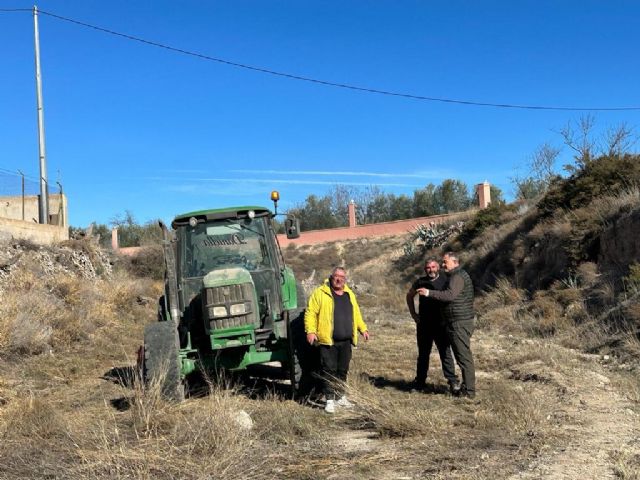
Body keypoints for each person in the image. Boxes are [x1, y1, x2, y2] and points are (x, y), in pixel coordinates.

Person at [304, 266, 370, 413]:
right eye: (336, 277)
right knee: (329, 370)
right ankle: (329, 400)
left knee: (342, 370)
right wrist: (311, 331)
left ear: (345, 279)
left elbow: (356, 313)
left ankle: (340, 397)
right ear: (331, 277)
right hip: (328, 341)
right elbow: (310, 313)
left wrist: (363, 329)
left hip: (346, 341)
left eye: (342, 277)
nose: (339, 279)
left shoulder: (349, 294)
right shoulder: (320, 293)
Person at [417, 252, 476, 398]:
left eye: (445, 263)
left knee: (463, 358)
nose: (443, 265)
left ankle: (469, 391)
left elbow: (449, 295)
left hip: (459, 322)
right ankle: (466, 388)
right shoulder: (456, 276)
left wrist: (429, 293)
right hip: (455, 322)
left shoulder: (457, 277)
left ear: (455, 262)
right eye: (442, 263)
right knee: (461, 356)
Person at [406, 257, 459, 393]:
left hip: (441, 324)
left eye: (433, 267)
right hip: (424, 324)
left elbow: (452, 297)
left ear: (438, 268)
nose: (431, 270)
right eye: (428, 268)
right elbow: (409, 296)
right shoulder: (420, 282)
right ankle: (420, 383)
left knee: (445, 353)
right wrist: (413, 314)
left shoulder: (445, 281)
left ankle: (453, 382)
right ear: (425, 269)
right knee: (423, 354)